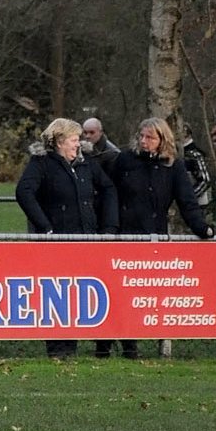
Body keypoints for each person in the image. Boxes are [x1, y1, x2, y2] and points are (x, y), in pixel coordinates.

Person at [99, 117, 215, 359]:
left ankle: (140, 345)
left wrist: (202, 228)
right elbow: (109, 193)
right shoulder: (125, 160)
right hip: (123, 236)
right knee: (116, 292)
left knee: (143, 294)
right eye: (141, 136)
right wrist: (110, 227)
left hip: (153, 239)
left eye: (150, 137)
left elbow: (187, 202)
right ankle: (107, 345)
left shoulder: (173, 167)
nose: (144, 141)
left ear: (162, 140)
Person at [15, 118, 118, 359]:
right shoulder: (41, 163)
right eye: (73, 139)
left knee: (93, 292)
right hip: (58, 243)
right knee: (60, 296)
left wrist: (109, 226)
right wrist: (45, 227)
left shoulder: (87, 162)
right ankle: (61, 348)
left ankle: (103, 346)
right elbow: (24, 192)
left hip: (88, 239)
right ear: (59, 141)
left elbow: (108, 188)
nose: (78, 144)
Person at [179, 125, 212, 210]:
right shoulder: (181, 154)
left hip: (198, 205)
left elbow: (205, 181)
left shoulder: (194, 154)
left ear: (186, 134)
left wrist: (189, 197)